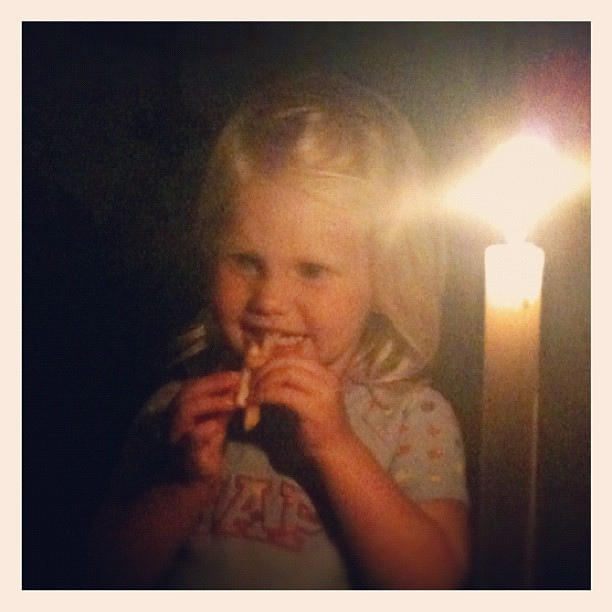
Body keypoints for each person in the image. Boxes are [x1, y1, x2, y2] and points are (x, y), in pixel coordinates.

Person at [88, 73, 470, 589]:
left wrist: (337, 446)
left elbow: (433, 583)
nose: (268, 302)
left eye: (311, 271)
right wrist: (182, 486)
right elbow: (100, 578)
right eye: (245, 261)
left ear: (384, 281)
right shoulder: (174, 410)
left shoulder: (410, 416)